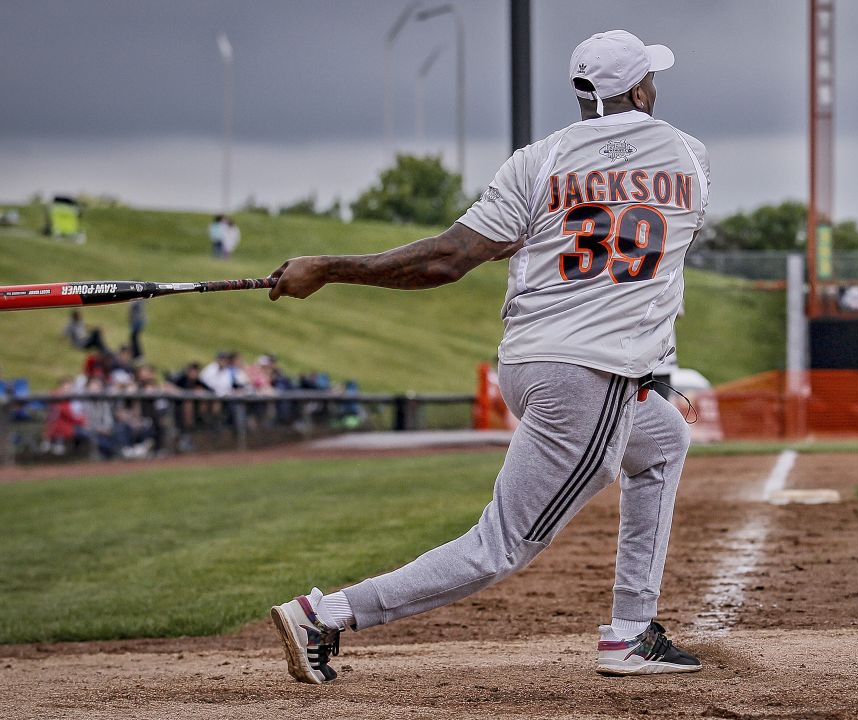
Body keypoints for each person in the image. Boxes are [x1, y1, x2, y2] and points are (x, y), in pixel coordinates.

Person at [266, 30, 708, 684]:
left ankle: (632, 629)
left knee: (662, 437)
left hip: (530, 365)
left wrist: (330, 267)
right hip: (590, 372)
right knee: (499, 545)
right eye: (649, 77)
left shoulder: (539, 159)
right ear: (640, 89)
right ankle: (324, 614)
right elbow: (640, 272)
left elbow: (447, 258)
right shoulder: (690, 156)